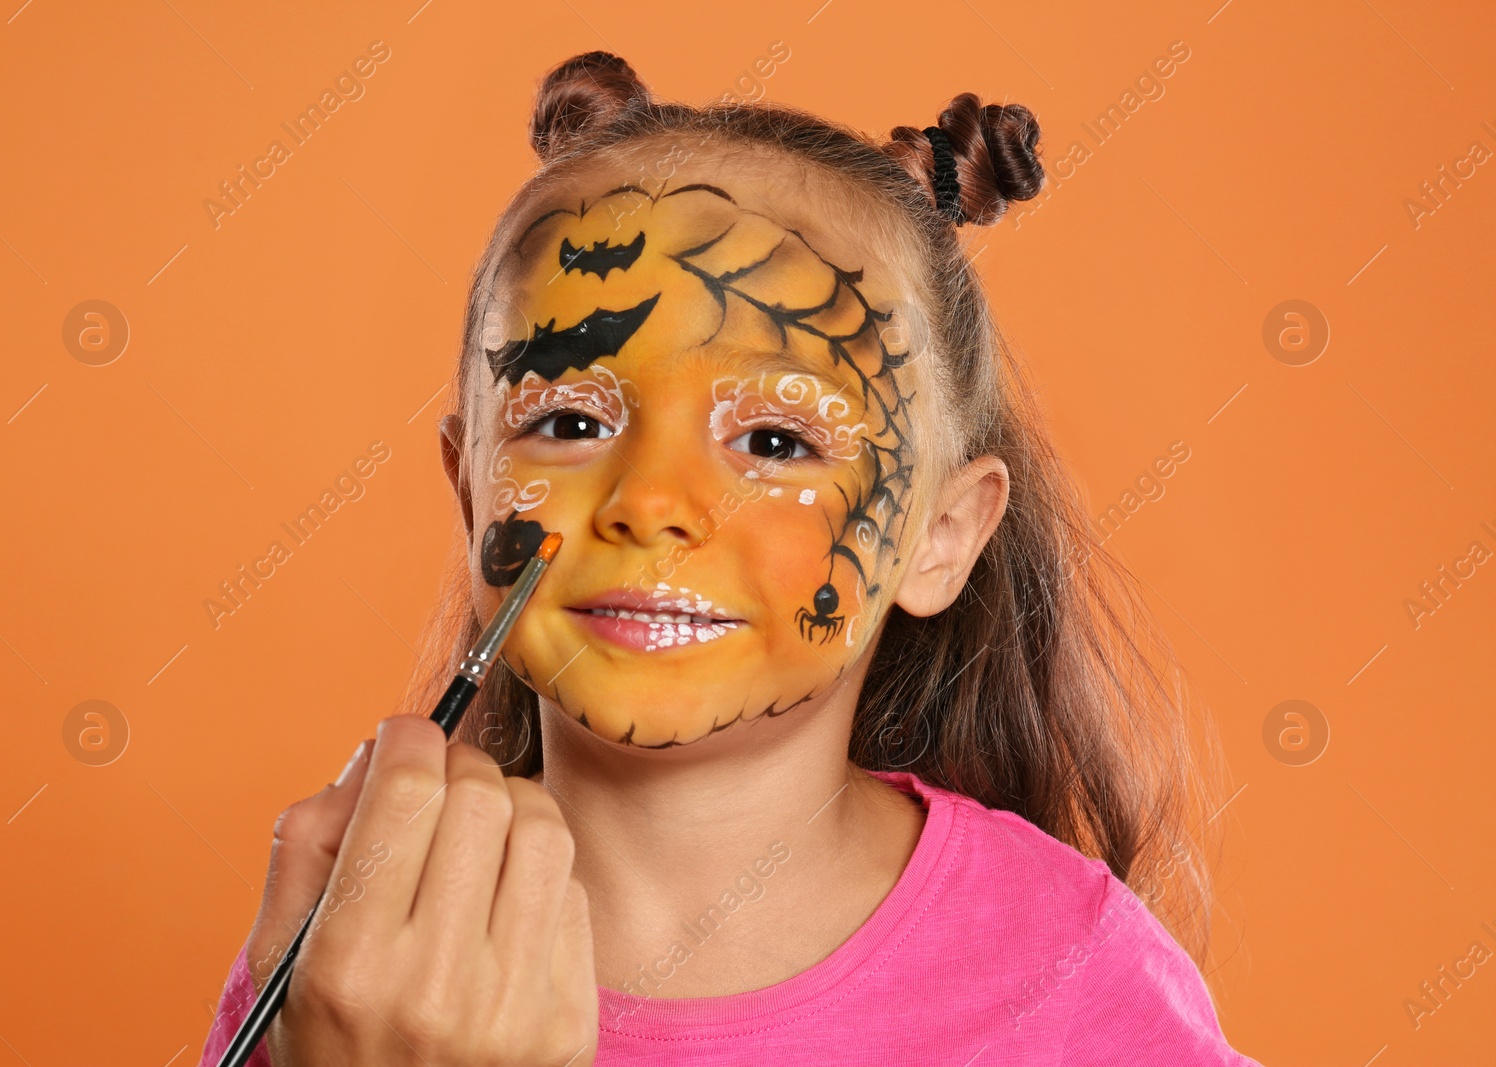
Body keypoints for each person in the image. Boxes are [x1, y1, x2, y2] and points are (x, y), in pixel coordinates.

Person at [199, 50, 1262, 1066]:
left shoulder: (1066, 964)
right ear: (471, 487)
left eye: (774, 441)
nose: (651, 503)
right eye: (569, 420)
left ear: (941, 537)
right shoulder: (369, 940)